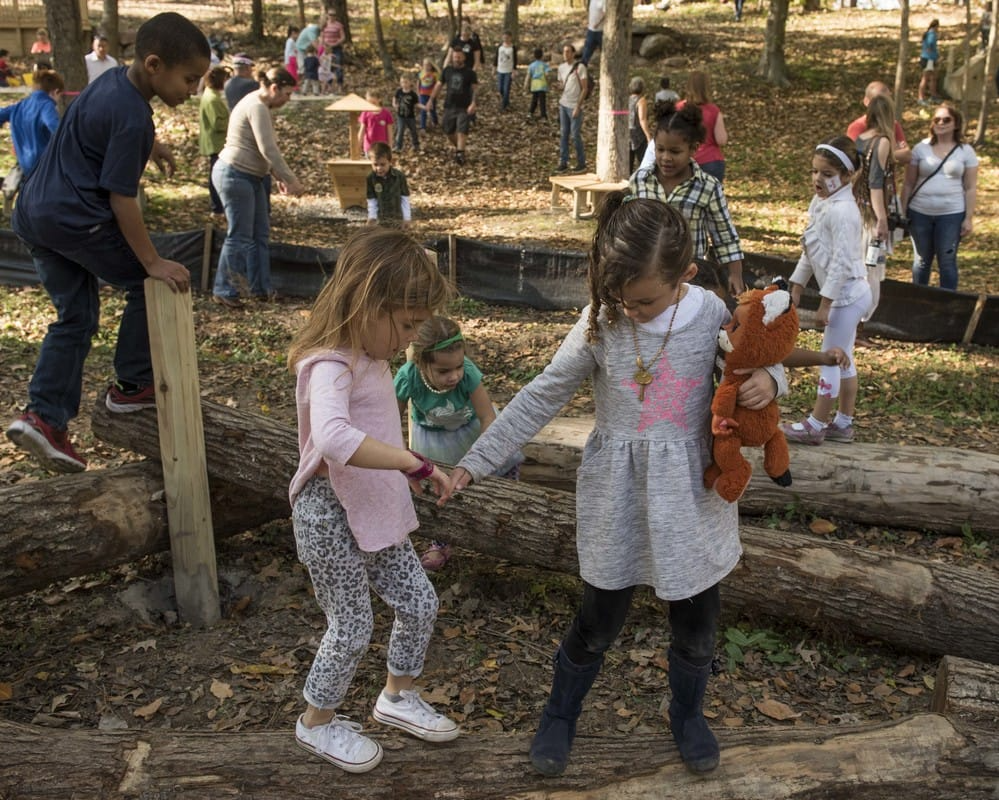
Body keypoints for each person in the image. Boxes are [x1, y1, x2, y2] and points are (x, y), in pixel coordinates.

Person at [440, 196, 787, 778]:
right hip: (618, 495)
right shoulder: (601, 319)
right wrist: (475, 462)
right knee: (598, 620)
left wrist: (770, 383)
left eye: (644, 299)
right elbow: (543, 393)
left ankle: (687, 715)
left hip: (690, 497)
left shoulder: (711, 314)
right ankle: (560, 711)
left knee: (697, 628)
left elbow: (758, 357)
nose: (630, 308)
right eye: (620, 296)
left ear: (686, 277)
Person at [4, 13, 210, 474]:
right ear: (154, 65)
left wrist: (150, 143)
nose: (193, 90)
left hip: (35, 214)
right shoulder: (134, 117)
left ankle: (44, 417)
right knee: (145, 282)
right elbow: (122, 200)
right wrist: (152, 261)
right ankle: (132, 388)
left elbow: (99, 125)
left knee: (75, 319)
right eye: (189, 79)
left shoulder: (113, 81)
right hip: (76, 221)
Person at [287, 226, 458, 773]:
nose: (408, 340)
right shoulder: (329, 363)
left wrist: (405, 472)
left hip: (374, 506)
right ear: (366, 303)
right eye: (405, 325)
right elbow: (335, 438)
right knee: (352, 623)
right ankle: (315, 723)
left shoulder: (374, 356)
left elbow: (375, 428)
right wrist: (412, 461)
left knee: (418, 602)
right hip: (329, 514)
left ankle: (397, 696)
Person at [394, 316, 524, 572]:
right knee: (439, 490)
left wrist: (481, 456)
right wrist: (403, 458)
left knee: (502, 473)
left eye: (458, 367)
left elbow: (487, 416)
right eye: (444, 371)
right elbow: (389, 420)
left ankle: (509, 527)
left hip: (474, 430)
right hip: (433, 438)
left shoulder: (468, 373)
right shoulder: (408, 377)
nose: (454, 376)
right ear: (421, 362)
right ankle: (440, 541)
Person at [780, 136, 872, 446]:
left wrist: (825, 305)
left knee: (830, 357)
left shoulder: (843, 212)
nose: (818, 179)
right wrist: (796, 285)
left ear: (847, 176)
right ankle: (843, 423)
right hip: (844, 296)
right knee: (844, 357)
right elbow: (812, 249)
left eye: (828, 174)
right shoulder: (821, 203)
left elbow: (842, 264)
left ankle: (816, 424)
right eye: (815, 171)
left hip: (848, 296)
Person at [632, 101, 746, 296]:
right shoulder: (640, 181)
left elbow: (724, 234)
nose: (666, 157)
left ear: (693, 149)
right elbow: (630, 228)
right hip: (646, 274)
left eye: (675, 151)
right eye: (660, 150)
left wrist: (735, 274)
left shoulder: (708, 187)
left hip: (691, 278)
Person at [212, 67, 304, 309]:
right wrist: (291, 179)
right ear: (274, 88)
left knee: (259, 235)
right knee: (240, 235)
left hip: (253, 176)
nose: (288, 99)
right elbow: (268, 149)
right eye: (287, 93)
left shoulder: (262, 107)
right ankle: (224, 288)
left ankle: (261, 288)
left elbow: (262, 152)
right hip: (234, 174)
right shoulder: (256, 105)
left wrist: (278, 177)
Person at [901, 103, 978, 291]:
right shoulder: (921, 148)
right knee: (921, 260)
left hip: (951, 213)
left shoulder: (965, 151)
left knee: (947, 261)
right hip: (920, 212)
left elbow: (970, 187)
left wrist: (968, 218)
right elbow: (908, 183)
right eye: (937, 120)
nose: (941, 123)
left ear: (956, 124)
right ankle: (918, 301)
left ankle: (948, 303)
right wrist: (902, 211)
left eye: (946, 120)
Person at [854, 94, 898, 340]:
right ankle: (859, 324)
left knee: (862, 267)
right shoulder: (881, 142)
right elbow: (876, 184)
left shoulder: (860, 139)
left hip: (857, 209)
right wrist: (882, 218)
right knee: (870, 271)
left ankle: (857, 324)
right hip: (870, 214)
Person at [0, 69, 62, 179]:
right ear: (55, 92)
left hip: (24, 166)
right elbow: (54, 125)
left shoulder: (20, 106)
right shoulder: (46, 105)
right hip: (45, 167)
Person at [676, 71, 728, 183]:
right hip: (711, 162)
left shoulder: (678, 109)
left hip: (685, 162)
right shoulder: (714, 110)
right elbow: (721, 140)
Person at [430, 48, 478, 165]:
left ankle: (460, 154)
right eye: (455, 57)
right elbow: (438, 85)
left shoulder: (470, 73)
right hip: (449, 106)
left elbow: (475, 89)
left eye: (459, 57)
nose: (457, 59)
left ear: (464, 58)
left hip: (464, 107)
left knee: (462, 130)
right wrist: (431, 99)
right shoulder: (447, 71)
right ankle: (459, 148)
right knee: (448, 131)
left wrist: (474, 103)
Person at [845, 81, 911, 166]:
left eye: (887, 102)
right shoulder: (857, 127)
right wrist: (892, 151)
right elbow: (853, 157)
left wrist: (877, 154)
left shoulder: (894, 125)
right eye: (877, 101)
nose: (882, 106)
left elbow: (907, 155)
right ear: (866, 101)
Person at [199, 65, 230, 215]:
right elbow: (217, 124)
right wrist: (232, 121)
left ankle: (218, 206)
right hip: (216, 143)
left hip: (216, 142)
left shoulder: (211, 95)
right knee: (216, 176)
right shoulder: (212, 99)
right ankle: (217, 207)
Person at [555, 43, 589, 174]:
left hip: (574, 105)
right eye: (564, 52)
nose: (566, 54)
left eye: (568, 51)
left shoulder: (580, 68)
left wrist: (578, 107)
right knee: (564, 134)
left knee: (575, 135)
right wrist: (559, 86)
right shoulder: (561, 67)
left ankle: (581, 163)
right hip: (563, 104)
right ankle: (563, 162)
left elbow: (584, 88)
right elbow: (562, 83)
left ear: (573, 53)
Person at [366, 142, 411, 228]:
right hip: (381, 220)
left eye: (382, 164)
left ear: (390, 162)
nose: (379, 168)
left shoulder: (399, 177)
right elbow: (372, 200)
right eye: (375, 164)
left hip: (397, 219)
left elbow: (404, 198)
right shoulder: (370, 178)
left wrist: (407, 218)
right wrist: (372, 217)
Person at [358, 89, 394, 157]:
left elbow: (390, 132)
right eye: (368, 102)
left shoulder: (386, 113)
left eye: (373, 102)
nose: (371, 105)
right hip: (369, 147)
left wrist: (390, 146)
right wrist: (358, 146)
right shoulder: (365, 113)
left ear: (379, 99)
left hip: (382, 147)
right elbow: (361, 131)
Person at [628, 77, 652, 174]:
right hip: (638, 134)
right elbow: (642, 119)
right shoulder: (641, 100)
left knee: (629, 161)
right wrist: (648, 136)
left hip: (627, 133)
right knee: (642, 160)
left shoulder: (627, 99)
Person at [321, 10, 346, 92]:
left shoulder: (338, 25)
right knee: (328, 67)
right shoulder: (325, 24)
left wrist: (336, 43)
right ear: (327, 15)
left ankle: (340, 85)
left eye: (333, 15)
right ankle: (329, 86)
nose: (332, 16)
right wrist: (323, 45)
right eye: (330, 14)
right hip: (327, 49)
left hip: (336, 48)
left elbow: (343, 37)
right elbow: (322, 36)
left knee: (338, 65)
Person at [394, 74, 420, 152]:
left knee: (413, 130)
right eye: (402, 82)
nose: (404, 84)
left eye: (406, 82)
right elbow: (394, 98)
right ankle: (398, 146)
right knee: (400, 130)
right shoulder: (399, 91)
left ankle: (416, 145)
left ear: (410, 83)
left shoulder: (413, 94)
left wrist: (425, 107)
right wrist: (394, 104)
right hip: (401, 116)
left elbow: (416, 104)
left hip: (410, 116)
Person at [918, 19, 941, 106]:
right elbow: (931, 45)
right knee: (926, 78)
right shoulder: (932, 34)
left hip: (927, 58)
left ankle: (933, 95)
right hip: (929, 59)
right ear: (936, 26)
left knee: (933, 78)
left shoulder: (927, 33)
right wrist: (935, 55)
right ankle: (921, 98)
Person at [525, 47, 552, 121]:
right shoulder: (544, 65)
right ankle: (543, 116)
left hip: (534, 85)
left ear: (534, 56)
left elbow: (528, 76)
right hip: (542, 85)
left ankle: (530, 113)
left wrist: (526, 84)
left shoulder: (531, 65)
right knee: (542, 101)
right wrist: (548, 83)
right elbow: (547, 75)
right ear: (542, 55)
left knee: (534, 100)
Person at [495, 31, 517, 112]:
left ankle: (503, 106)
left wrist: (514, 70)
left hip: (508, 70)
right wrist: (494, 67)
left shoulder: (512, 48)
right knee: (500, 88)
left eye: (507, 38)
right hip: (500, 69)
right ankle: (506, 101)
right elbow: (496, 57)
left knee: (506, 88)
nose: (506, 39)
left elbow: (515, 59)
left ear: (510, 38)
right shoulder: (500, 47)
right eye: (504, 38)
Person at [581, 0, 605, 65]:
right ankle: (582, 71)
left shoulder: (603, 1)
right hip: (591, 31)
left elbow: (606, 14)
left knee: (605, 54)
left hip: (601, 32)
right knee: (586, 53)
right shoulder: (592, 1)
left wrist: (598, 23)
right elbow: (591, 12)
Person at [417, 58, 439, 130]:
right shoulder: (421, 73)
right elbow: (418, 83)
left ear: (431, 66)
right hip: (423, 94)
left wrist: (436, 95)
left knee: (432, 110)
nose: (426, 66)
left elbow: (437, 85)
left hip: (431, 95)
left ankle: (435, 122)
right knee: (423, 110)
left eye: (428, 65)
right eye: (424, 65)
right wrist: (418, 93)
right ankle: (423, 127)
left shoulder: (435, 74)